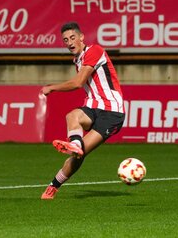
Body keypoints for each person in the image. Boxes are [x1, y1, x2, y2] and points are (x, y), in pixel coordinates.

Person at [40, 22, 125, 200]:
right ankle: (75, 147)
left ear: (81, 37)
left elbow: (78, 83)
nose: (69, 42)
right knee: (72, 116)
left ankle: (55, 184)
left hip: (111, 113)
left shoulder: (94, 51)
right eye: (65, 40)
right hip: (93, 106)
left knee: (80, 155)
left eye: (72, 38)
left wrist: (52, 87)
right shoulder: (78, 60)